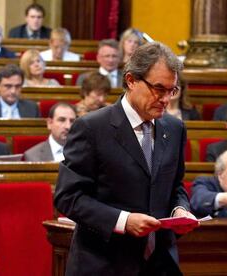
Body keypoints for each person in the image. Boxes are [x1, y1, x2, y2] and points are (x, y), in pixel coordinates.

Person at [54, 42, 198, 275]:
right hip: (104, 263)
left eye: (172, 90)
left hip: (160, 264)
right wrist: (123, 221)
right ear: (131, 80)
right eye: (159, 89)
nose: (166, 99)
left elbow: (176, 186)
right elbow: (68, 197)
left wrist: (179, 210)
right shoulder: (92, 128)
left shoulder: (174, 128)